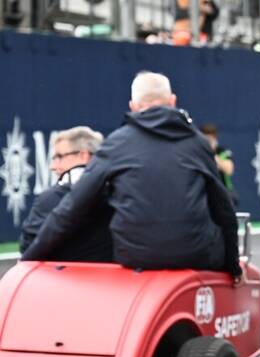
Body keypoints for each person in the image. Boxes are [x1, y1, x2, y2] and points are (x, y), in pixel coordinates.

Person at [22, 72, 240, 277]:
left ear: (133, 106)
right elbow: (224, 209)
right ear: (172, 101)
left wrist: (28, 258)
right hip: (195, 253)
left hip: (136, 255)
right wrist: (234, 268)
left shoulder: (117, 143)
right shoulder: (198, 144)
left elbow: (71, 207)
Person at [19, 126, 113, 262]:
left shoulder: (49, 199)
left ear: (83, 155)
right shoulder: (120, 196)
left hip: (58, 280)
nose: (52, 166)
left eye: (59, 157)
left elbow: (27, 248)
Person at [200, 123, 237, 205]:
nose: (208, 141)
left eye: (211, 138)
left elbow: (229, 170)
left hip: (224, 190)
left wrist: (212, 152)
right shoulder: (198, 152)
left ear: (215, 138)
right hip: (204, 191)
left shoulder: (222, 152)